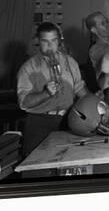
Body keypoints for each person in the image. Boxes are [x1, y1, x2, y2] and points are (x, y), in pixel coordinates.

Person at [17, 22, 89, 156]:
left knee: (68, 161)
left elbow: (79, 88)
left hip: (68, 120)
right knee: (37, 164)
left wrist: (94, 101)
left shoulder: (70, 62)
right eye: (45, 41)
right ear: (38, 41)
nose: (50, 46)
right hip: (40, 123)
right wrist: (45, 93)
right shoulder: (28, 68)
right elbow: (24, 103)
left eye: (54, 40)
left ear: (59, 41)